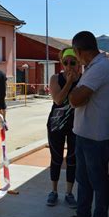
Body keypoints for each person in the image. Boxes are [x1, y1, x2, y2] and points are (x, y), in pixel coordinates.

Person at [58, 31, 109, 217]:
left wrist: (74, 86)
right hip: (87, 134)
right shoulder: (97, 67)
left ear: (79, 51)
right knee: (84, 180)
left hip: (96, 136)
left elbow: (75, 100)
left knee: (97, 182)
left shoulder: (100, 68)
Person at [46, 48, 80, 208]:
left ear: (78, 63)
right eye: (65, 62)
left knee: (72, 158)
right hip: (56, 123)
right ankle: (53, 191)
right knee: (56, 157)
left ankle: (69, 192)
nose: (69, 66)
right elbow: (58, 100)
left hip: (76, 124)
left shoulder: (85, 79)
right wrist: (69, 83)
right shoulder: (55, 78)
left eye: (73, 62)